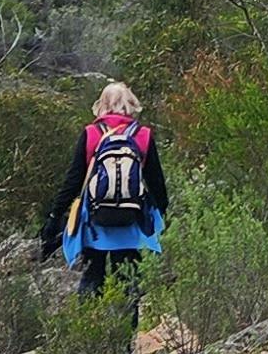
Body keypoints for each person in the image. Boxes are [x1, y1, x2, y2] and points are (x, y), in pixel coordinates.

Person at [37, 81, 171, 299]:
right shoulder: (143, 135)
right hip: (131, 221)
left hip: (95, 222)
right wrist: (162, 215)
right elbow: (156, 183)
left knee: (92, 278)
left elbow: (73, 181)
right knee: (128, 282)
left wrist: (55, 216)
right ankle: (128, 329)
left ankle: (89, 325)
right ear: (130, 104)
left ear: (102, 105)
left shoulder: (91, 133)